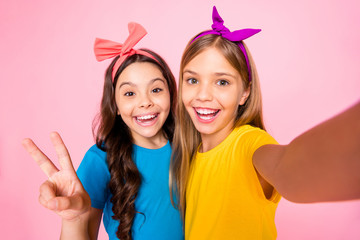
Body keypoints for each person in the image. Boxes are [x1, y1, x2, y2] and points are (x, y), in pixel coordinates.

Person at [170, 6, 360, 240]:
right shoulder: (189, 155)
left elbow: (286, 165)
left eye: (222, 82)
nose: (203, 95)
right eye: (192, 80)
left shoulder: (248, 144)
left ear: (245, 93)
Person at [22, 22, 183, 240]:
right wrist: (73, 220)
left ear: (171, 94)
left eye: (156, 89)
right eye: (129, 93)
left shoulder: (188, 146)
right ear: (114, 105)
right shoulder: (100, 159)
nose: (145, 102)